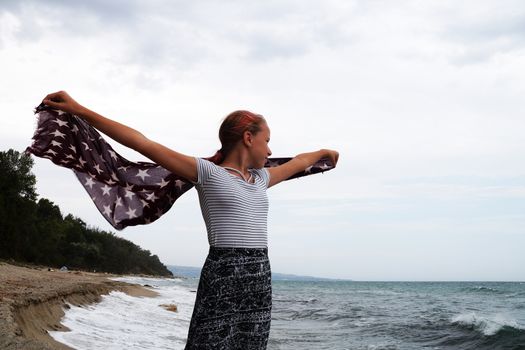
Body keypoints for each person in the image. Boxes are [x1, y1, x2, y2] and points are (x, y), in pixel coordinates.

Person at [41, 91, 339, 350]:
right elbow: (143, 143)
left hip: (260, 276)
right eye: (267, 141)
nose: (271, 150)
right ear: (248, 138)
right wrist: (78, 109)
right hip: (223, 270)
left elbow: (299, 161)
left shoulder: (261, 178)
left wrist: (325, 152)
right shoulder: (207, 173)